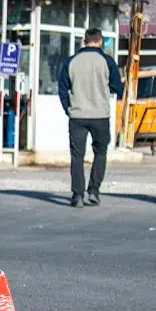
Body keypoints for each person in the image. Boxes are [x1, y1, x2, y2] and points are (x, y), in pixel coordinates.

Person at [58, 27, 123, 208]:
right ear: (100, 41)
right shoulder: (107, 61)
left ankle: (77, 194)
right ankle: (94, 191)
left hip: (77, 115)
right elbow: (118, 88)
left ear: (84, 41)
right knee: (100, 153)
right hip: (100, 115)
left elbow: (62, 88)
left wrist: (68, 108)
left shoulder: (72, 61)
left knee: (77, 156)